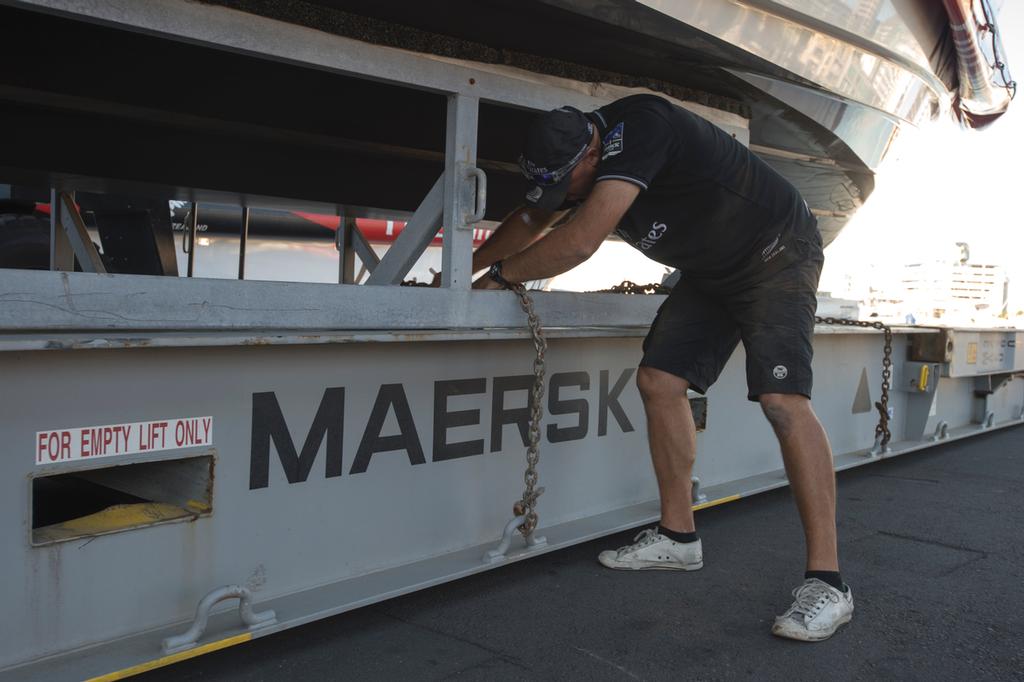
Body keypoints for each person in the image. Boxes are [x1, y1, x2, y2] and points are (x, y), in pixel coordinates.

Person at [469, 94, 852, 642]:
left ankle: (829, 584)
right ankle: (679, 538)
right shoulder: (584, 158)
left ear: (594, 153)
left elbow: (579, 243)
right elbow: (533, 217)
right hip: (713, 269)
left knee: (782, 403)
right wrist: (466, 269)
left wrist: (501, 278)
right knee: (658, 380)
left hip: (776, 251)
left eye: (568, 185)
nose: (565, 198)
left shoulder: (641, 126)